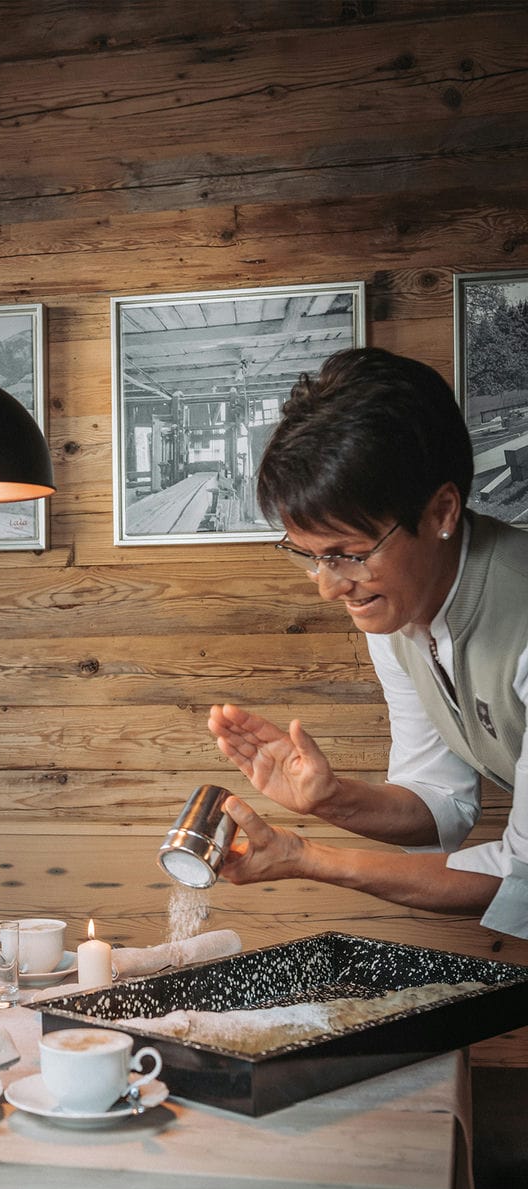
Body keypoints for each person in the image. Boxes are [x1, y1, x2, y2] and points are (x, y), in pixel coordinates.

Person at [207, 346, 528, 936]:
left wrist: (308, 858)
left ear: (442, 511)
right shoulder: (399, 606)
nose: (330, 587)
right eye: (307, 556)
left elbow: (522, 880)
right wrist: (328, 798)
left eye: (348, 555)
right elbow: (441, 804)